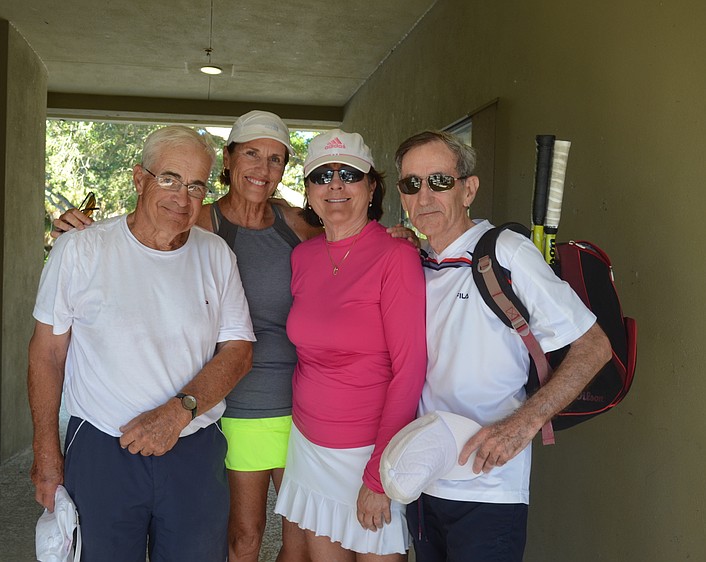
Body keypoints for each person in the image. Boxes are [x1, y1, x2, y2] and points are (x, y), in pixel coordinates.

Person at [51, 110, 323, 562]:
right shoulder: (196, 222)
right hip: (229, 402)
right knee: (242, 536)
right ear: (230, 161)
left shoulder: (298, 228)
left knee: (302, 536)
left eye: (276, 159)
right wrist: (73, 233)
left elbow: (349, 249)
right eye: (252, 153)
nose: (262, 167)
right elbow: (141, 228)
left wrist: (404, 242)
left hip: (293, 394)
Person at [28, 125, 256, 561]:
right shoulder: (80, 249)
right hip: (101, 447)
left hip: (193, 446)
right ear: (139, 179)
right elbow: (47, 352)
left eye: (195, 186)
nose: (182, 197)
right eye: (169, 178)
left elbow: (239, 351)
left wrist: (178, 411)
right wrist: (45, 452)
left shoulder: (216, 255)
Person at [393, 129, 612, 561]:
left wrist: (522, 425)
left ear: (468, 189)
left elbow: (595, 347)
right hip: (424, 478)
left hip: (489, 489)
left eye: (439, 181)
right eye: (411, 184)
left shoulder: (506, 252)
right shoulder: (413, 262)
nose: (424, 196)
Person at [273, 129, 427, 561]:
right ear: (308, 190)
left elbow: (410, 368)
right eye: (322, 175)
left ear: (371, 186)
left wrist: (379, 475)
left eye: (349, 174)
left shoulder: (396, 256)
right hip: (308, 444)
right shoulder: (302, 257)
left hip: (368, 452)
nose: (335, 185)